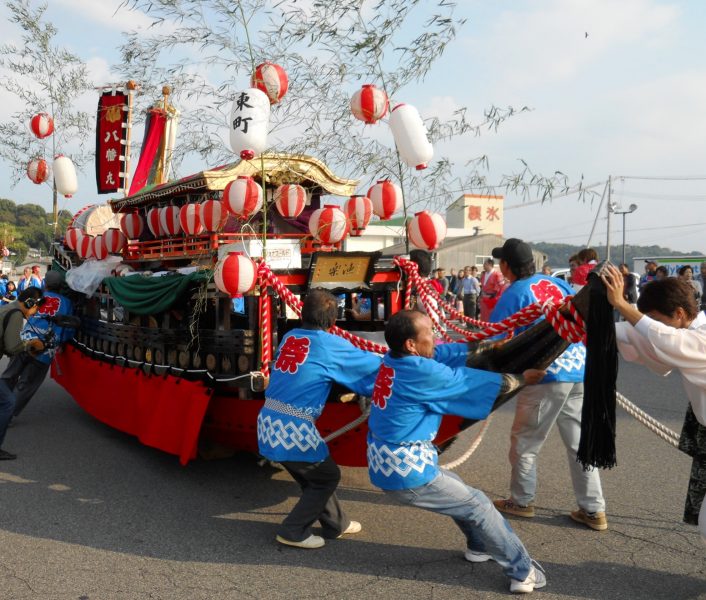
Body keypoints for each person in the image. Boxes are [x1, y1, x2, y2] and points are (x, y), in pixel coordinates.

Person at [367, 309, 547, 593]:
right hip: (408, 471)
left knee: (460, 492)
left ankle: (478, 546)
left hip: (390, 461)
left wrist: (488, 345)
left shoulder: (393, 361)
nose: (436, 338)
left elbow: (443, 353)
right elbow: (469, 381)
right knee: (479, 505)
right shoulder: (423, 372)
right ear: (411, 345)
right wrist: (523, 379)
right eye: (429, 334)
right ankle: (522, 571)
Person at [489, 238, 607, 531]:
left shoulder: (514, 292)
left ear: (506, 265)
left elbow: (495, 338)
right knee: (580, 444)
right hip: (579, 367)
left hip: (545, 373)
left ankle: (521, 501)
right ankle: (593, 510)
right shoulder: (558, 284)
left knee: (527, 441)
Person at [257, 289, 381, 549]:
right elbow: (373, 368)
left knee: (314, 475)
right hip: (292, 428)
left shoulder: (291, 336)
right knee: (325, 476)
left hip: (268, 421)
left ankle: (336, 524)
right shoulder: (330, 344)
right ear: (333, 320)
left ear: (302, 314)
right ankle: (292, 531)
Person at [600, 265, 706, 540]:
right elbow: (639, 333)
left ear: (680, 314)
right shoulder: (681, 331)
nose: (652, 326)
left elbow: (664, 339)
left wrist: (622, 304)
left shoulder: (701, 336)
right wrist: (581, 323)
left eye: (657, 319)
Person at [3, 271, 75, 420]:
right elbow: (68, 328)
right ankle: (6, 415)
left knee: (9, 376)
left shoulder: (36, 297)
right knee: (26, 384)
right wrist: (61, 341)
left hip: (24, 341)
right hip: (45, 349)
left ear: (45, 284)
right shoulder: (67, 303)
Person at [0, 287, 46, 459]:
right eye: (35, 308)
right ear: (29, 303)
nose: (35, 313)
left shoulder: (7, 308)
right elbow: (12, 347)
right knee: (7, 403)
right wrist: (31, 344)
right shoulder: (16, 314)